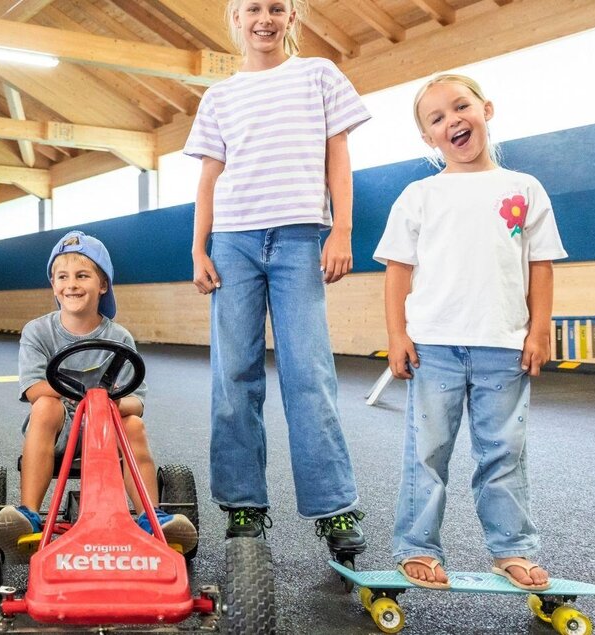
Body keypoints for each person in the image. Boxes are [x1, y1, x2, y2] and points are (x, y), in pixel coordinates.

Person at [182, 0, 369, 554]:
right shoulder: (218, 96)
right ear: (235, 19)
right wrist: (198, 248)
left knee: (309, 374)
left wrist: (342, 231)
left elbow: (339, 157)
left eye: (277, 8)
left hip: (298, 239)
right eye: (253, 9)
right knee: (233, 375)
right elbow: (209, 179)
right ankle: (243, 505)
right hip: (233, 244)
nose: (265, 17)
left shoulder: (319, 75)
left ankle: (334, 507)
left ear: (293, 17)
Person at [374, 74, 567, 591]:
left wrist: (538, 330)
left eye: (460, 107)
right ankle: (416, 546)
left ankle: (512, 550)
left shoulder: (524, 189)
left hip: (503, 346)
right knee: (427, 451)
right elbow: (397, 269)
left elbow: (541, 265)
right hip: (434, 346)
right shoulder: (419, 195)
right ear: (428, 139)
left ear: (486, 108)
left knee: (504, 452)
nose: (452, 120)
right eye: (436, 118)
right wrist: (398, 334)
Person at [0, 231, 199, 561]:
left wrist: (108, 403)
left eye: (82, 276)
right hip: (60, 431)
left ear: (102, 285)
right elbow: (32, 389)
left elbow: (137, 402)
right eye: (63, 277)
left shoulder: (119, 336)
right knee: (46, 406)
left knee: (134, 425)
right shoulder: (38, 331)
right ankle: (29, 511)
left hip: (108, 428)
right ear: (54, 285)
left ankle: (151, 514)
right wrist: (86, 396)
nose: (71, 284)